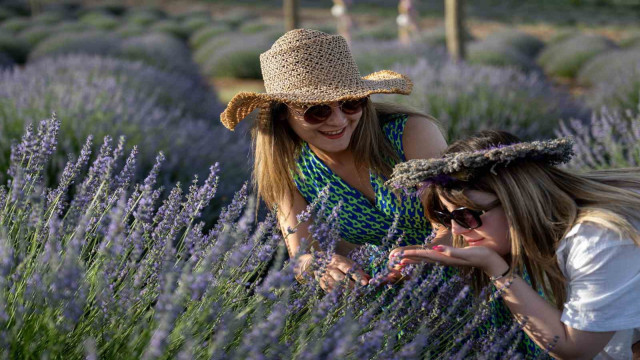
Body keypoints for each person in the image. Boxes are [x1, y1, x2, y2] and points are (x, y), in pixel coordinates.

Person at [220, 29, 448, 291]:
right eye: (317, 110)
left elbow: (457, 223)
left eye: (351, 103)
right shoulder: (291, 169)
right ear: (282, 113)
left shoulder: (409, 133)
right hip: (378, 298)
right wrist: (318, 265)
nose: (339, 120)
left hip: (458, 284)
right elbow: (301, 256)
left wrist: (426, 256)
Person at [388, 130, 640, 359]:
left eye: (466, 215)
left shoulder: (596, 240)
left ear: (516, 200)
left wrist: (496, 269)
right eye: (448, 216)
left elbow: (574, 349)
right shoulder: (555, 227)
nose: (456, 230)